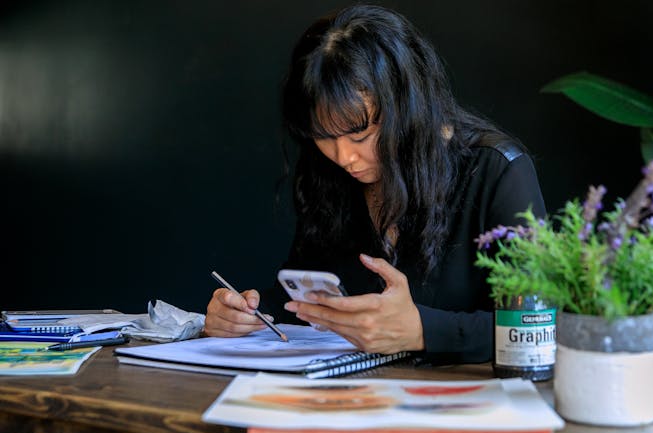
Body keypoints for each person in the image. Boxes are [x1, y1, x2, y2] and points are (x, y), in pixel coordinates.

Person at [204, 4, 546, 364]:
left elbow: (537, 324)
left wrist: (422, 330)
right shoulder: (329, 174)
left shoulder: (497, 171)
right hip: (343, 400)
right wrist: (248, 314)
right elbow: (307, 299)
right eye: (324, 136)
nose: (344, 157)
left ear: (408, 107)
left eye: (360, 133)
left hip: (461, 406)